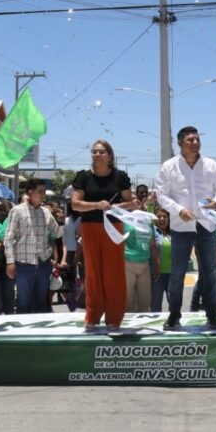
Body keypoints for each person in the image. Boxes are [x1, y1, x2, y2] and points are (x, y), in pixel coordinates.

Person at [154, 127, 216, 331]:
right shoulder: (169, 166)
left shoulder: (211, 165)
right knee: (177, 273)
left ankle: (212, 316)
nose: (195, 142)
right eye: (190, 140)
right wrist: (178, 210)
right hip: (181, 226)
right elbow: (161, 194)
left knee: (209, 272)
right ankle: (174, 315)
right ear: (180, 143)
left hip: (206, 224)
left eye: (197, 139)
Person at [71, 140, 135, 330]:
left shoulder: (120, 177)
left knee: (113, 273)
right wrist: (96, 205)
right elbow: (75, 204)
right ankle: (92, 315)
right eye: (94, 152)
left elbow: (130, 203)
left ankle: (114, 318)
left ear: (110, 156)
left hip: (113, 227)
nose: (96, 155)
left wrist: (113, 207)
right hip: (90, 226)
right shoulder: (83, 177)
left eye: (101, 152)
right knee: (93, 273)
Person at [5, 180, 62, 315]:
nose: (44, 195)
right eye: (40, 191)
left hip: (43, 263)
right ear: (30, 191)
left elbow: (57, 233)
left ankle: (41, 333)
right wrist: (10, 262)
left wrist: (59, 219)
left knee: (41, 302)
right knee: (24, 303)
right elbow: (9, 238)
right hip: (24, 264)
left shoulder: (46, 212)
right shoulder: (17, 211)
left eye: (44, 192)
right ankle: (23, 333)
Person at [123, 210, 155, 313]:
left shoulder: (149, 222)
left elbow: (152, 243)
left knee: (145, 300)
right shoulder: (125, 220)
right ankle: (128, 327)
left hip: (145, 263)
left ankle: (143, 324)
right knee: (128, 300)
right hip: (128, 263)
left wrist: (157, 264)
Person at [149, 208, 173, 312]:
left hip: (172, 275)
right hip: (157, 274)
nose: (162, 219)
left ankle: (174, 323)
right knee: (155, 305)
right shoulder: (152, 231)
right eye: (159, 217)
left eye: (165, 217)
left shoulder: (174, 233)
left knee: (174, 304)